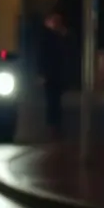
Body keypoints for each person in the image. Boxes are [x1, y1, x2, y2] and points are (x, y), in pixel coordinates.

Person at [35, 10, 70, 140]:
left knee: (55, 100)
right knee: (52, 101)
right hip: (51, 74)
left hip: (57, 74)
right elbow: (42, 56)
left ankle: (55, 124)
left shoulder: (59, 35)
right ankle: (52, 124)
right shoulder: (46, 36)